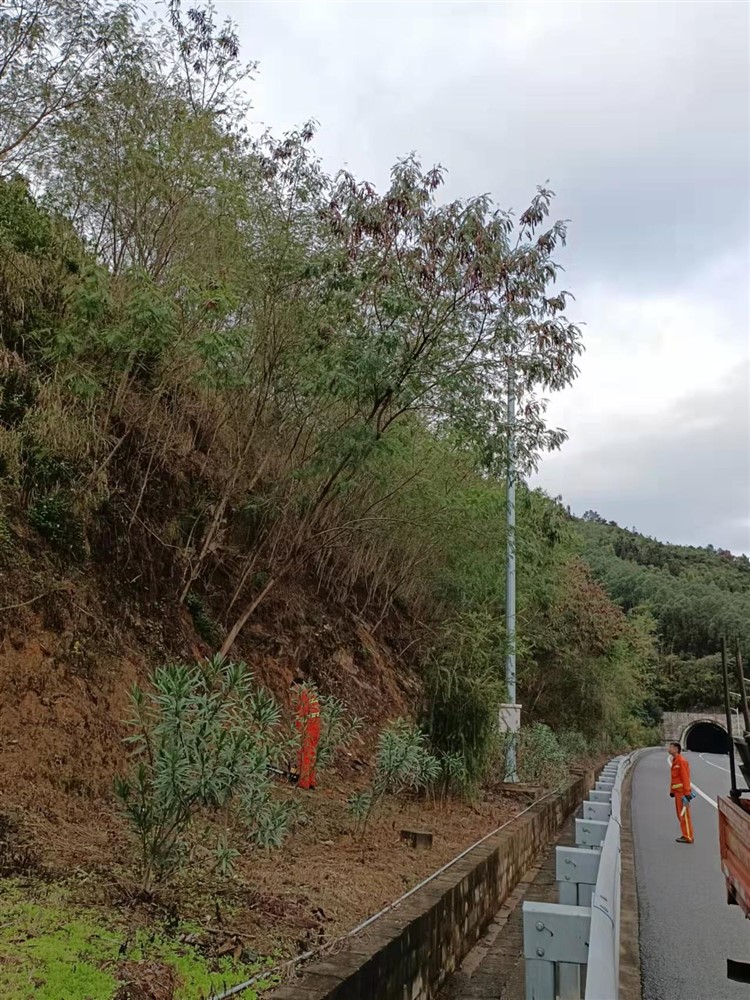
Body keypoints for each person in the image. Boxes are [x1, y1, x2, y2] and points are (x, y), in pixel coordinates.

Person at [293, 677, 321, 790]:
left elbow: (301, 715)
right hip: (315, 730)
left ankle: (303, 783)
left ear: (297, 686)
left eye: (294, 690)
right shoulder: (312, 696)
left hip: (307, 731)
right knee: (312, 756)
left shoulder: (304, 696)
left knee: (305, 756)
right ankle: (311, 781)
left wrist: (297, 732)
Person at [668, 741, 695, 844]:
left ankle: (688, 836)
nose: (669, 749)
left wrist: (687, 793)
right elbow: (675, 779)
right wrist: (672, 791)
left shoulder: (682, 761)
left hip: (683, 793)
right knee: (680, 815)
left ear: (676, 749)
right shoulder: (675, 761)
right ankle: (685, 834)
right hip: (677, 793)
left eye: (670, 747)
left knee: (684, 815)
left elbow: (685, 778)